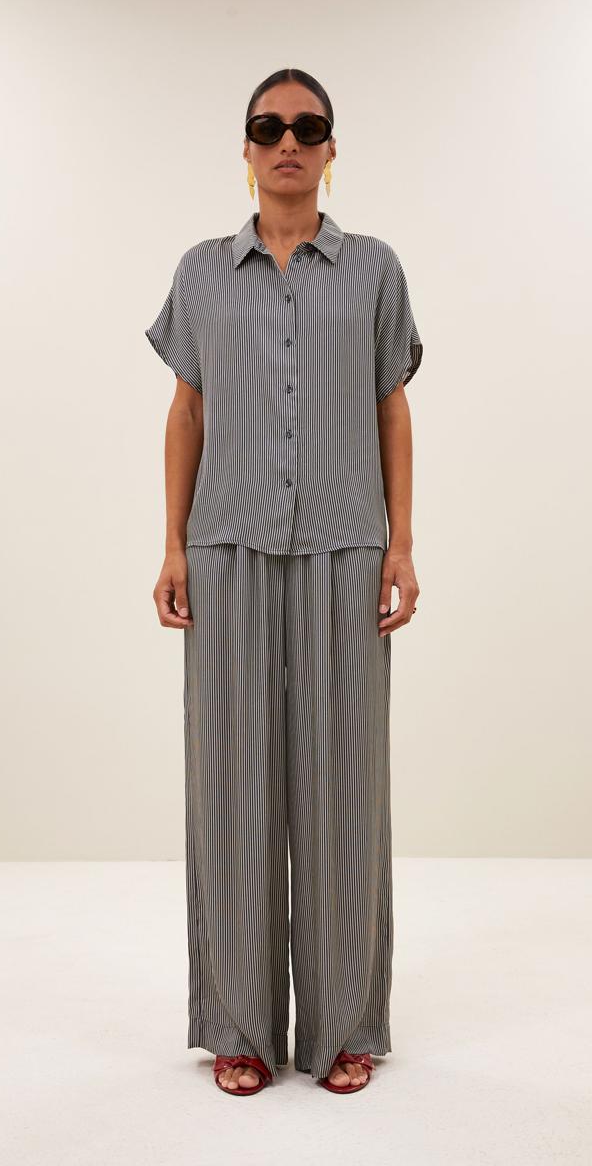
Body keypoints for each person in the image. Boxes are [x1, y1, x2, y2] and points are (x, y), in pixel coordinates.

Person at [144, 67, 422, 1097]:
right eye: (269, 127)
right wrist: (173, 546)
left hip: (346, 549)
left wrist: (400, 544)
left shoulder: (374, 269)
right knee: (231, 789)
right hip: (226, 549)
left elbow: (392, 408)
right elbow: (187, 411)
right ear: (248, 148)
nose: (288, 142)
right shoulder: (202, 273)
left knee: (344, 788)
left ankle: (345, 1025)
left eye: (307, 127)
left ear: (331, 147)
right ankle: (238, 1028)